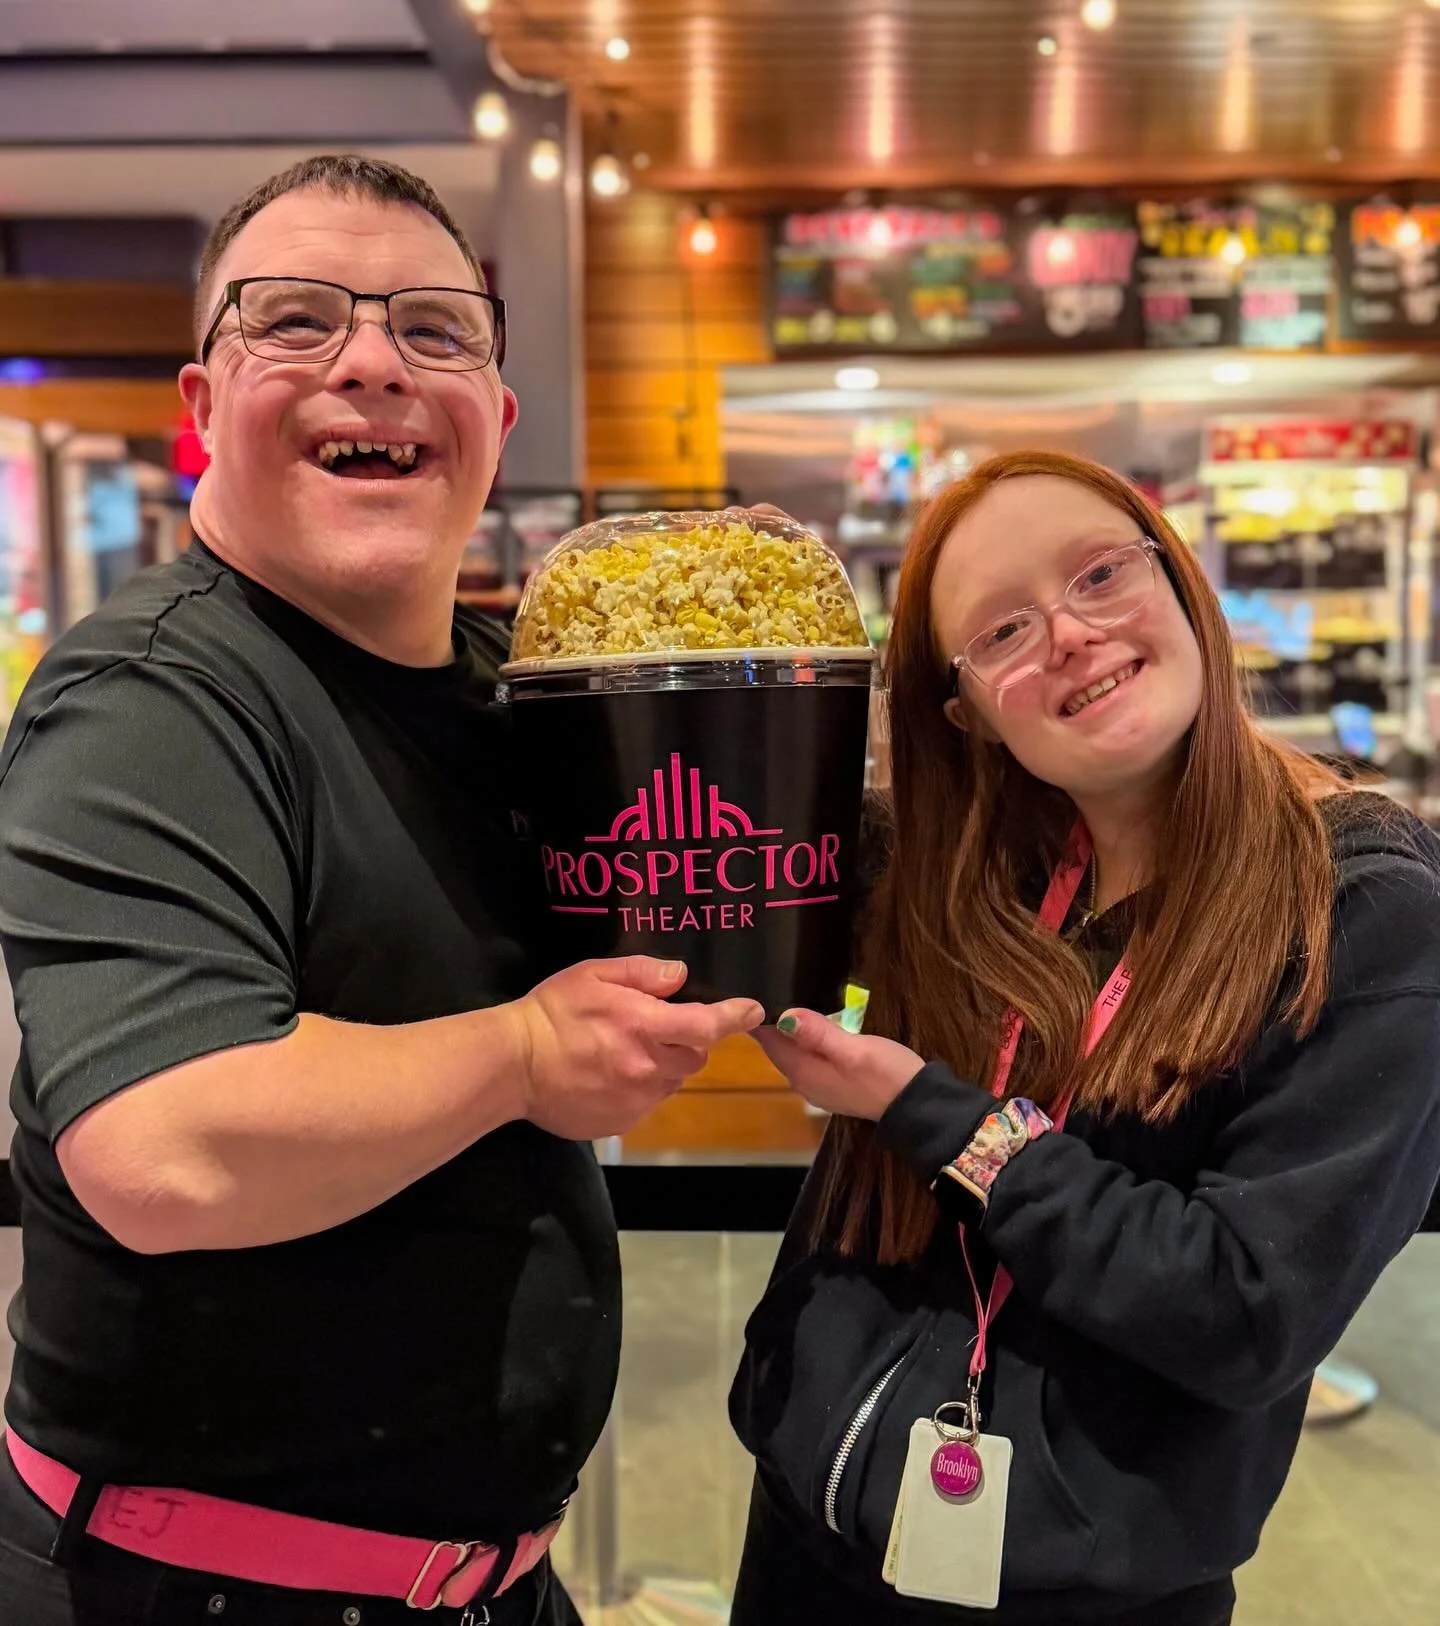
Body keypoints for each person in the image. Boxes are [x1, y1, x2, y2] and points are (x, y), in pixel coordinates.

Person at [0, 154, 765, 1625]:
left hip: (489, 1584)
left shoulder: (522, 694)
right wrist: (528, 1053)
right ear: (203, 405)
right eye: (295, 319)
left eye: (435, 328)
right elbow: (166, 1150)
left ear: (498, 419)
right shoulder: (148, 700)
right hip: (193, 1588)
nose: (372, 361)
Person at [728, 450, 1440, 1626]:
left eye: (1101, 574)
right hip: (806, 1539)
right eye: (1003, 629)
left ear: (1179, 581)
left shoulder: (1362, 910)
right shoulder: (959, 870)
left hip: (1084, 1594)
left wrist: (931, 1115)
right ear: (965, 712)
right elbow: (707, 829)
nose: (1069, 633)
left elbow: (1245, 1310)